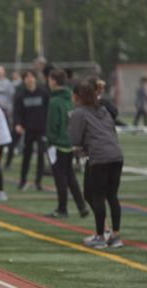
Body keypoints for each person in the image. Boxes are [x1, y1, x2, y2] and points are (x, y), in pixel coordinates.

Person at [69, 80, 124, 248]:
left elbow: (75, 139)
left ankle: (100, 237)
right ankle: (115, 235)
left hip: (99, 157)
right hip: (116, 155)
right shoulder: (103, 109)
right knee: (112, 196)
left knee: (97, 196)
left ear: (77, 96)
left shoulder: (79, 113)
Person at [45, 69, 88, 218]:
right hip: (70, 143)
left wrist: (50, 140)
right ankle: (82, 206)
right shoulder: (69, 98)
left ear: (54, 81)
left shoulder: (55, 101)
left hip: (58, 144)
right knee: (70, 176)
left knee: (60, 177)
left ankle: (62, 208)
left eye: (49, 80)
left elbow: (53, 124)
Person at [14, 70, 49, 191]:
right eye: (27, 77)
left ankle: (38, 182)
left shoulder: (43, 92)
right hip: (27, 130)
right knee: (27, 156)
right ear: (24, 80)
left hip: (41, 129)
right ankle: (22, 181)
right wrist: (18, 124)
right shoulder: (20, 94)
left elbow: (48, 109)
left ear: (35, 78)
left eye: (32, 76)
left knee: (40, 154)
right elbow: (17, 112)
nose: (30, 79)